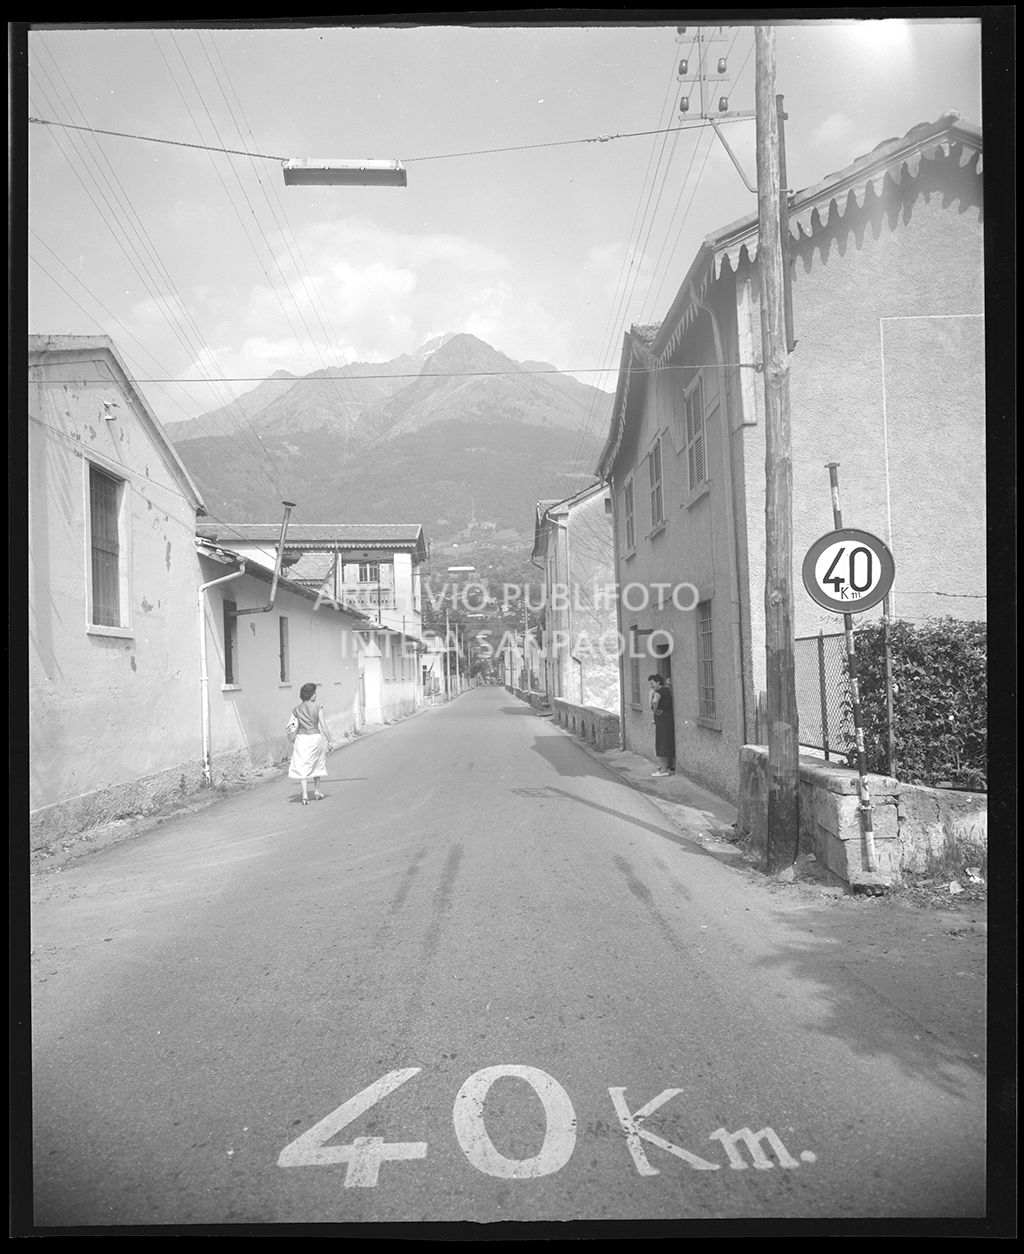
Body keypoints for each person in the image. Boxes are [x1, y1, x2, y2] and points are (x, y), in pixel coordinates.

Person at [288, 682, 333, 805]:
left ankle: (304, 795)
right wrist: (330, 741)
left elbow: (292, 726)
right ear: (311, 695)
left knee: (303, 765)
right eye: (315, 693)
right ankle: (317, 791)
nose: (316, 695)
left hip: (302, 739)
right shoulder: (318, 708)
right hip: (315, 737)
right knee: (317, 763)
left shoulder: (296, 709)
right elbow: (323, 726)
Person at [648, 674, 675, 778]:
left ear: (658, 682)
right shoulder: (666, 690)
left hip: (662, 719)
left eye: (652, 683)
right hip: (668, 719)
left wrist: (654, 710)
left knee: (661, 743)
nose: (651, 686)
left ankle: (663, 770)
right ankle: (668, 766)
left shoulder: (658, 693)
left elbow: (654, 702)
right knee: (667, 742)